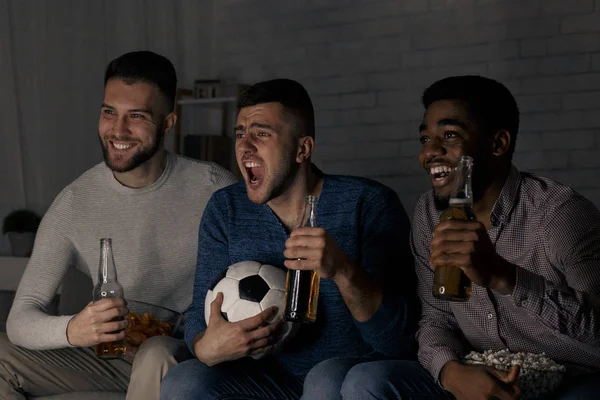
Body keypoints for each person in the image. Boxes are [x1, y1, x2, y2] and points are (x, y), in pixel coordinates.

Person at [330, 75, 600, 400]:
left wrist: (506, 277)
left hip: (571, 379)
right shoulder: (429, 213)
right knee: (364, 380)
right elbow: (435, 318)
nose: (429, 153)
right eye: (425, 139)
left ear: (497, 144)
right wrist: (449, 371)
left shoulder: (560, 214)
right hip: (479, 370)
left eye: (449, 135)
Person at [159, 78, 418, 400]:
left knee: (323, 379)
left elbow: (398, 340)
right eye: (240, 133)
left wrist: (342, 270)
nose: (245, 145)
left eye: (262, 133)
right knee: (184, 379)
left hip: (343, 375)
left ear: (302, 149)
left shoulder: (367, 204)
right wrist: (205, 345)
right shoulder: (226, 208)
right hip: (267, 378)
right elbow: (201, 309)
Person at [0, 51, 237, 400]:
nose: (118, 130)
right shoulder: (74, 201)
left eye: (136, 116)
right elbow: (20, 318)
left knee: (157, 351)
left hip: (185, 355)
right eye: (109, 112)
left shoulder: (215, 189)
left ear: (169, 123)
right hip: (108, 357)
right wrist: (73, 329)